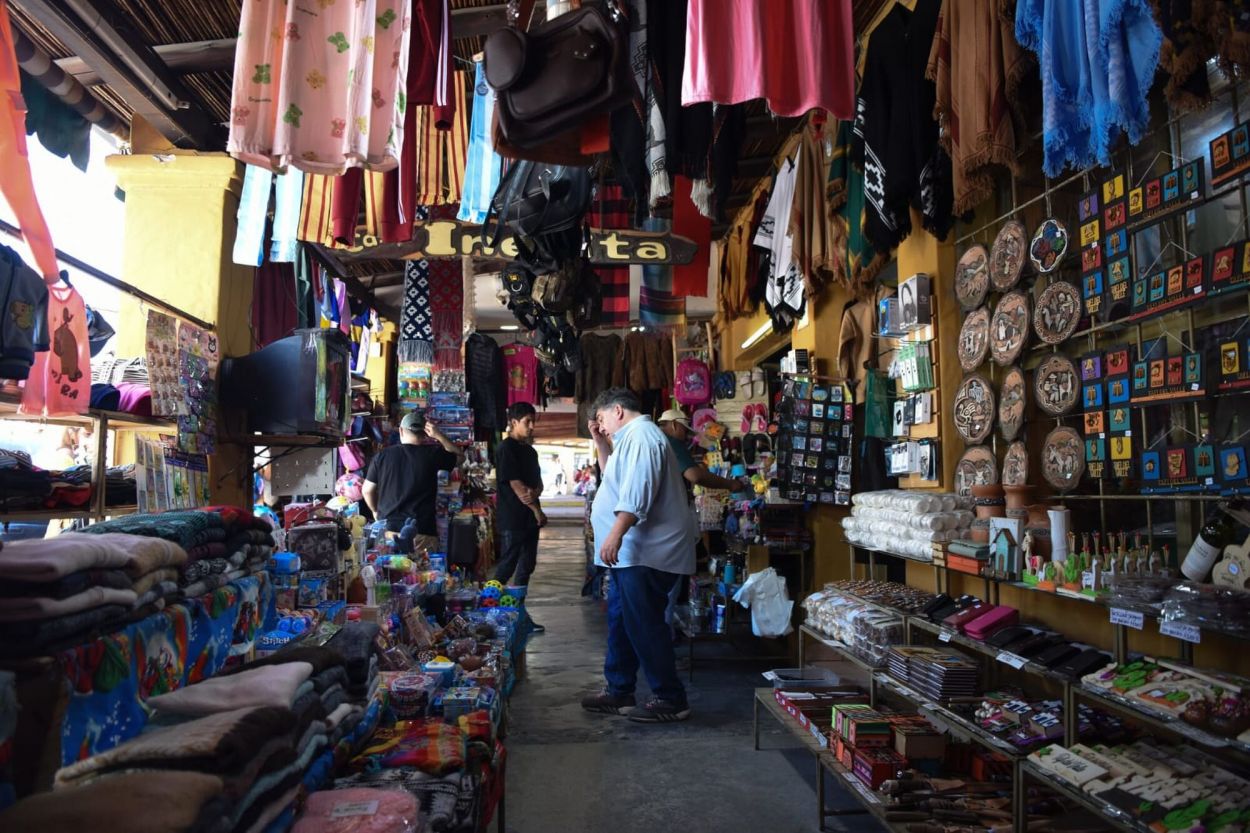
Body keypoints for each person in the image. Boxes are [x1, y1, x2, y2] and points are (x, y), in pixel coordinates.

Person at [581, 388, 697, 723]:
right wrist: (601, 443)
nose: (600, 426)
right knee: (622, 622)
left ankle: (670, 697)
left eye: (601, 419)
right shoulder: (628, 440)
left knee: (644, 625)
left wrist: (615, 534)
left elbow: (637, 494)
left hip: (645, 552)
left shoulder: (643, 437)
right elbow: (613, 482)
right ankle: (619, 690)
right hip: (631, 554)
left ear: (617, 410)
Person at [655, 408, 751, 634]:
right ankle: (664, 636)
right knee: (671, 579)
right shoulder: (670, 442)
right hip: (671, 520)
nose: (687, 437)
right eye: (685, 431)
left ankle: (658, 635)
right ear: (675, 425)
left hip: (657, 522)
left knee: (660, 584)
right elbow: (695, 476)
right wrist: (730, 484)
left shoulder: (651, 440)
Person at [362, 411, 464, 553]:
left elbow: (367, 490)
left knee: (389, 573)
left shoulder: (382, 456)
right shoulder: (433, 454)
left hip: (388, 530)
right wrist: (439, 435)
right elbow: (460, 457)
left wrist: (375, 511)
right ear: (424, 433)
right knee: (423, 573)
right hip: (421, 531)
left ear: (401, 431)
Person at [494, 401, 547, 633]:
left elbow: (538, 485)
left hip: (529, 521)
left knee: (526, 567)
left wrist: (535, 495)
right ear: (514, 422)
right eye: (527, 421)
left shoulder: (530, 451)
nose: (532, 426)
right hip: (513, 519)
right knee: (506, 567)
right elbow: (520, 489)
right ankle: (488, 612)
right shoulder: (506, 449)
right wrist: (537, 510)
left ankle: (518, 616)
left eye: (533, 421)